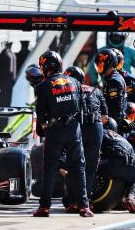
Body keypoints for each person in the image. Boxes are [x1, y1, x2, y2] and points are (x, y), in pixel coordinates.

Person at [33, 51, 92, 217]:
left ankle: (44, 208)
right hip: (74, 130)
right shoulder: (75, 82)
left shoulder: (43, 86)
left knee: (49, 169)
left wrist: (43, 128)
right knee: (79, 168)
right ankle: (84, 207)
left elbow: (41, 113)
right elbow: (82, 106)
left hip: (55, 131)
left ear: (45, 67)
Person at [64, 66, 108, 199]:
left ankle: (74, 199)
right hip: (96, 128)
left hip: (78, 129)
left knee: (75, 164)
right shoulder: (96, 91)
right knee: (90, 167)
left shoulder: (69, 92)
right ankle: (86, 200)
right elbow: (105, 117)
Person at [94, 48, 127, 128]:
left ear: (107, 63)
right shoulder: (114, 77)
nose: (99, 67)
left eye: (100, 64)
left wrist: (110, 125)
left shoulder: (113, 81)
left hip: (114, 125)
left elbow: (116, 108)